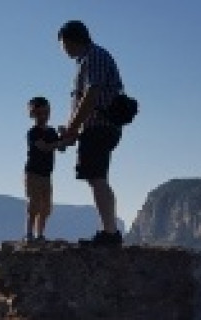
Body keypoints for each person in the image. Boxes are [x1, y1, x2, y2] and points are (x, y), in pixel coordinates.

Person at [57, 20, 124, 246]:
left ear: (71, 40)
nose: (62, 49)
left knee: (96, 177)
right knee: (98, 177)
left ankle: (109, 233)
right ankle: (109, 230)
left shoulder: (94, 56)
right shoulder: (89, 58)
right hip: (98, 126)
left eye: (63, 44)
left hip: (99, 126)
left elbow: (90, 95)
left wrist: (74, 127)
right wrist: (72, 130)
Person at [24, 97, 62, 242]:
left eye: (45, 113)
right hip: (33, 173)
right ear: (32, 115)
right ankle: (29, 234)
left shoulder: (52, 132)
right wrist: (61, 142)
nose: (43, 117)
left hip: (47, 174)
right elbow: (44, 147)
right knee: (34, 204)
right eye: (39, 114)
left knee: (46, 207)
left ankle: (39, 234)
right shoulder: (32, 133)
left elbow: (62, 148)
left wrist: (64, 135)